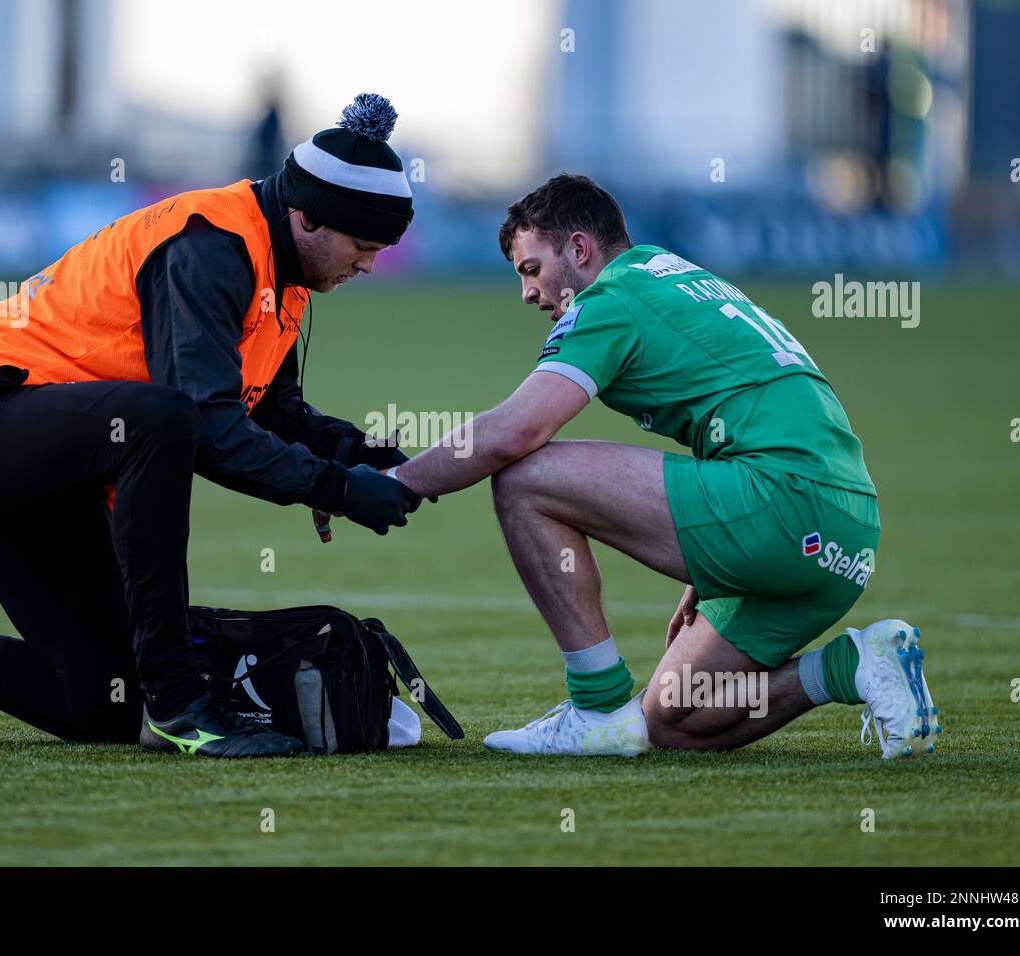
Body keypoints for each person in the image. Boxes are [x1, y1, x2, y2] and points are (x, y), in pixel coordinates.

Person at [0, 94, 424, 758]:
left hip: (56, 453)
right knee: (163, 421)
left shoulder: (282, 270)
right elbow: (207, 425)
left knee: (100, 702)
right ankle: (181, 708)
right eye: (363, 245)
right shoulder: (211, 246)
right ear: (308, 217)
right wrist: (337, 489)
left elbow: (272, 412)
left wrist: (363, 453)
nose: (369, 265)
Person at [390, 173, 939, 760]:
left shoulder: (610, 299)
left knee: (524, 477)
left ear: (579, 249)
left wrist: (395, 484)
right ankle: (854, 665)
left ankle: (597, 708)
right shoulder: (669, 272)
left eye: (531, 269)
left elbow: (516, 430)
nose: (527, 293)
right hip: (845, 535)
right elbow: (741, 408)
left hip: (782, 504)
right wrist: (706, 575)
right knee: (672, 720)